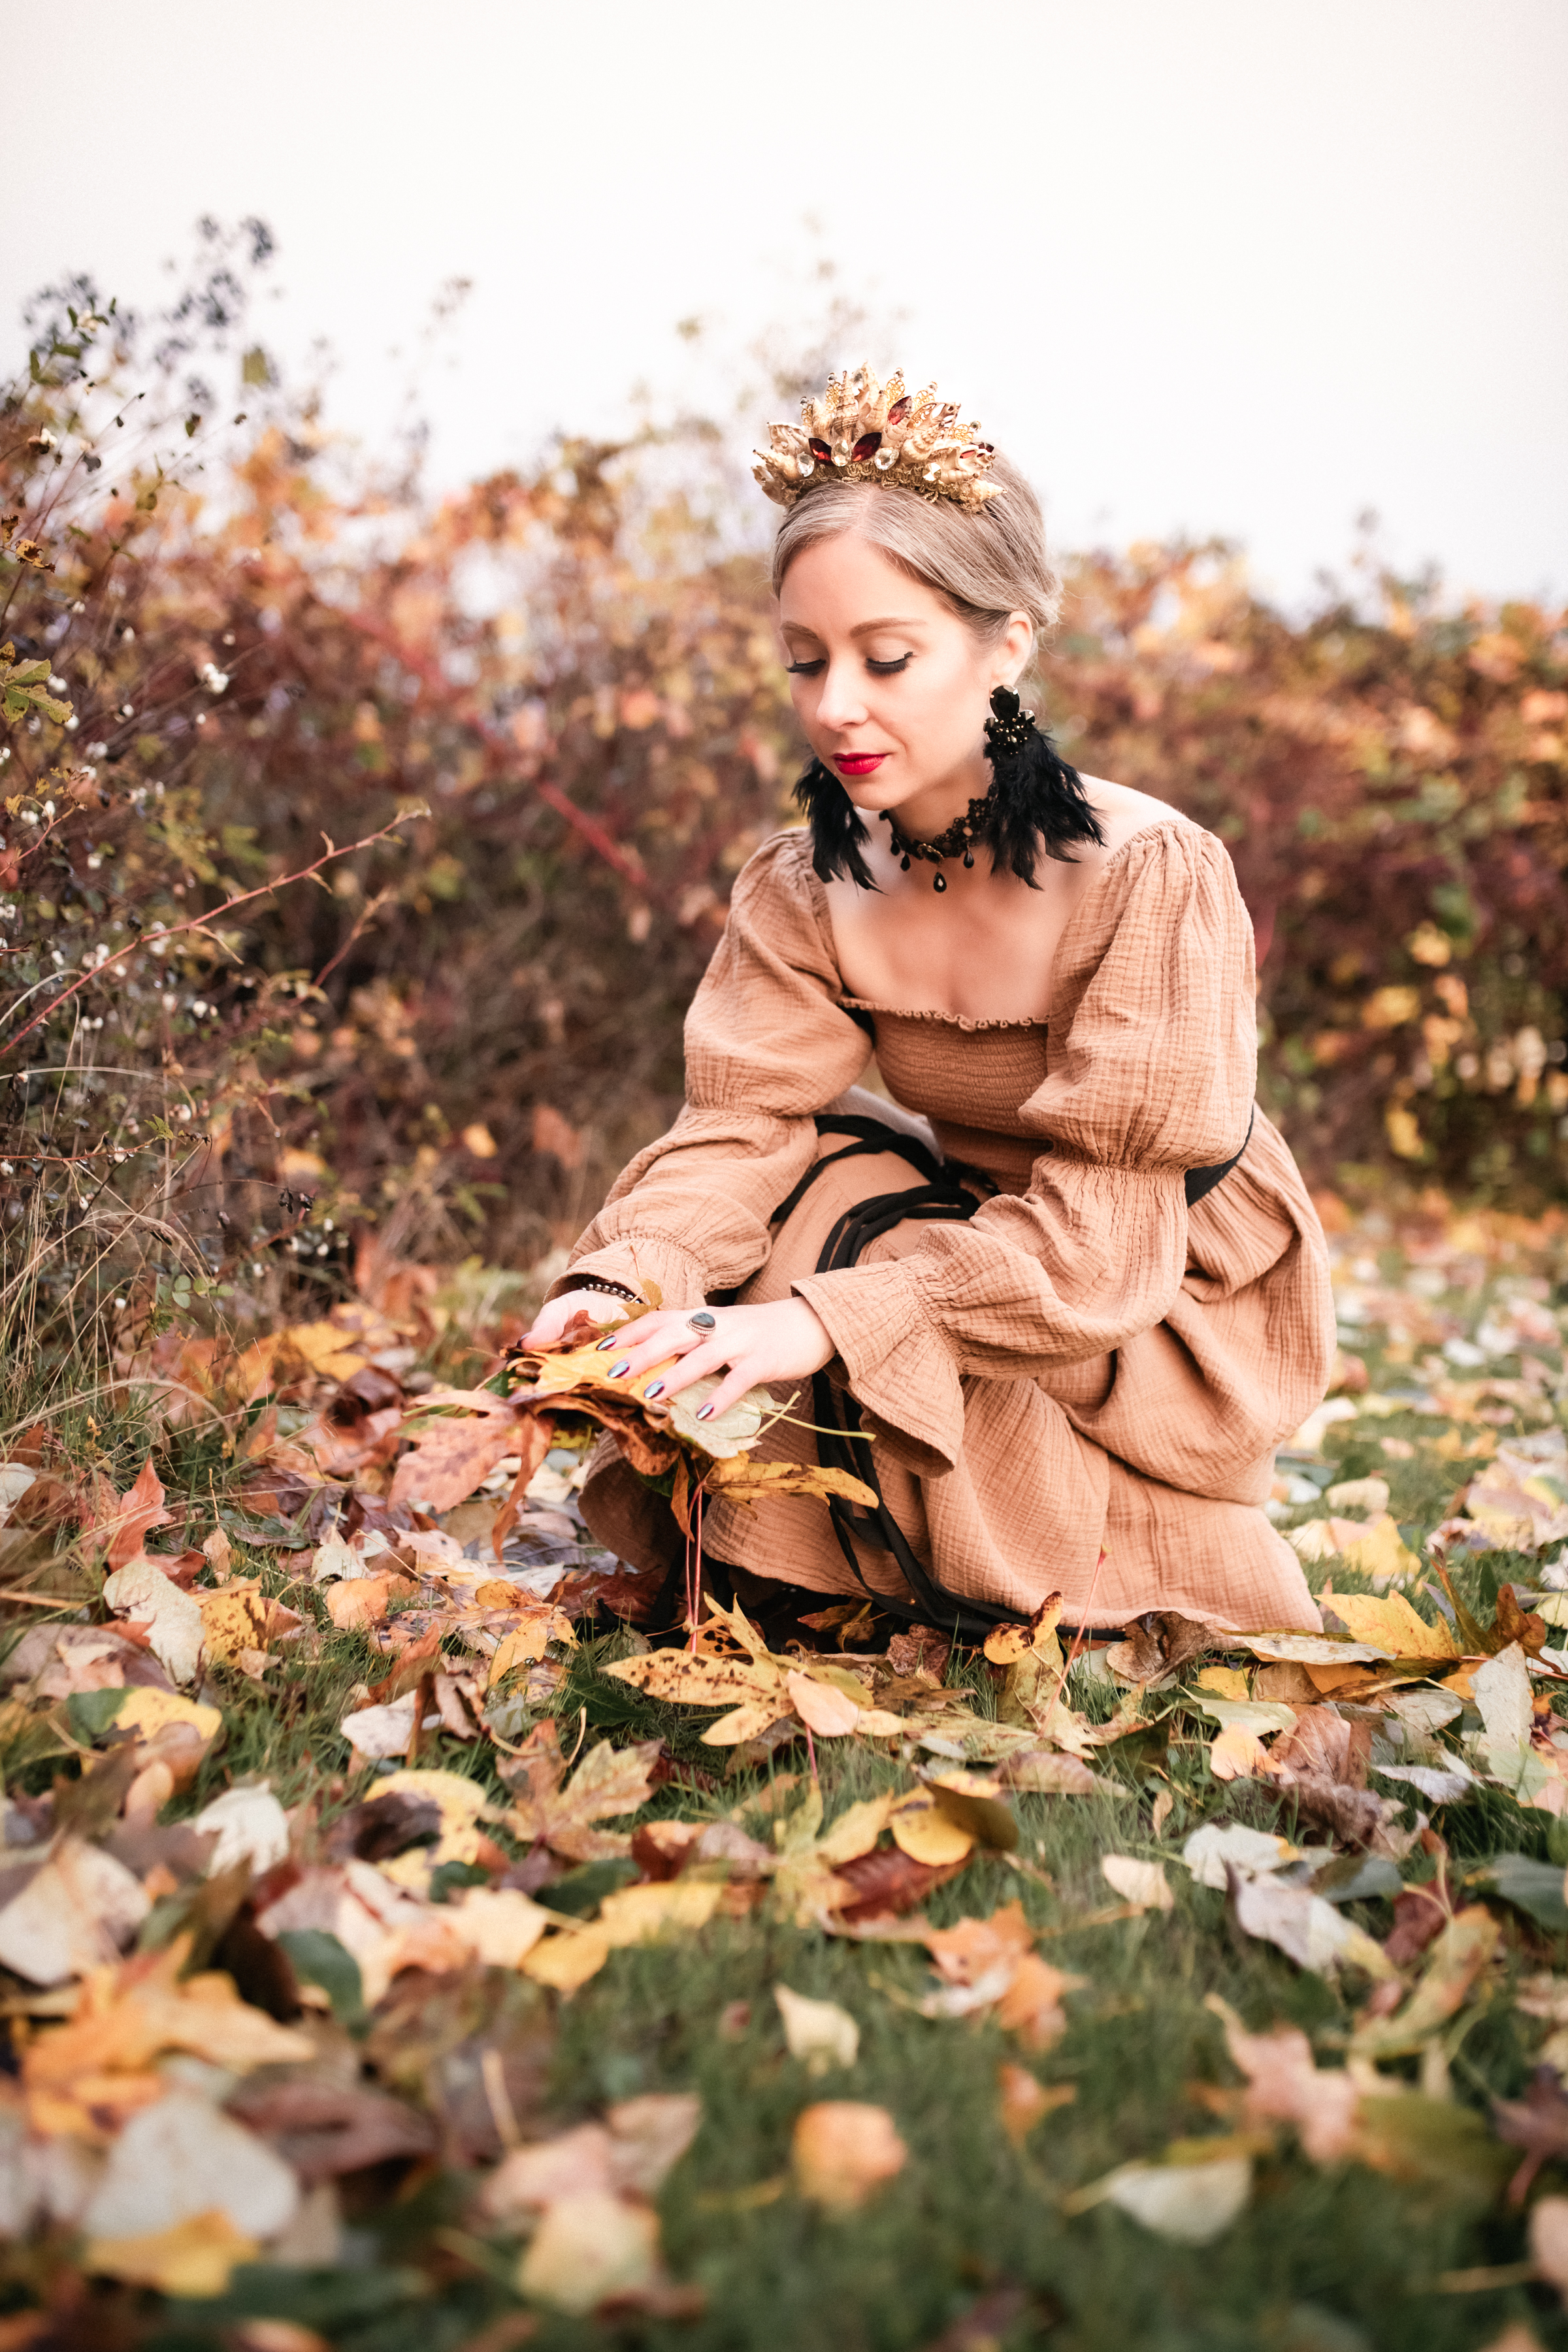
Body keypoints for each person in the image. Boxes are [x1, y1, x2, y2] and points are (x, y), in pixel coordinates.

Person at [522, 368, 1333, 1636]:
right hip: (987, 1229)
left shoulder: (1147, 872)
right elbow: (741, 1128)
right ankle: (830, 1554)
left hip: (1156, 1288)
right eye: (806, 661)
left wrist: (823, 1321)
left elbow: (1097, 1248)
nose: (837, 705)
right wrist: (622, 1290)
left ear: (1005, 644)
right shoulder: (808, 876)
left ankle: (1121, 1554)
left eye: (887, 657)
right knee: (812, 1183)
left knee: (858, 1273)